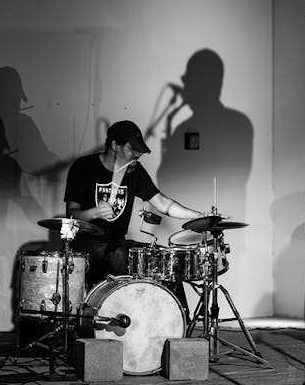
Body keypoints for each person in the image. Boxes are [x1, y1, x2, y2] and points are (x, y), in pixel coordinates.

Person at [64, 120, 203, 317]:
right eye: (132, 149)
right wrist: (94, 212)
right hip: (86, 244)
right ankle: (125, 319)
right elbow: (71, 214)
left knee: (166, 260)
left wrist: (200, 216)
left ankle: (180, 324)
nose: (137, 154)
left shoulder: (135, 171)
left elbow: (163, 204)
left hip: (118, 242)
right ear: (114, 145)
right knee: (119, 255)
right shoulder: (83, 167)